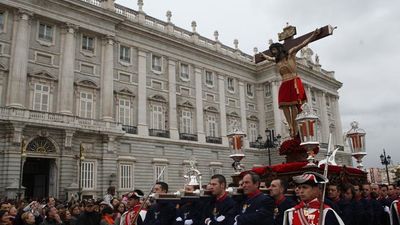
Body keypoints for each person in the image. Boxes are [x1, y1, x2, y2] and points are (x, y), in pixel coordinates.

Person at [260, 28, 321, 137]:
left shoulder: (290, 54)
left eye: (275, 51)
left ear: (279, 49)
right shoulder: (277, 60)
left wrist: (313, 35)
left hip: (293, 81)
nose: (274, 53)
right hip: (284, 83)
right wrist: (263, 56)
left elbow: (302, 44)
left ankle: (295, 125)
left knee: (293, 105)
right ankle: (290, 125)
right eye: (272, 51)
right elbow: (269, 58)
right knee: (284, 105)